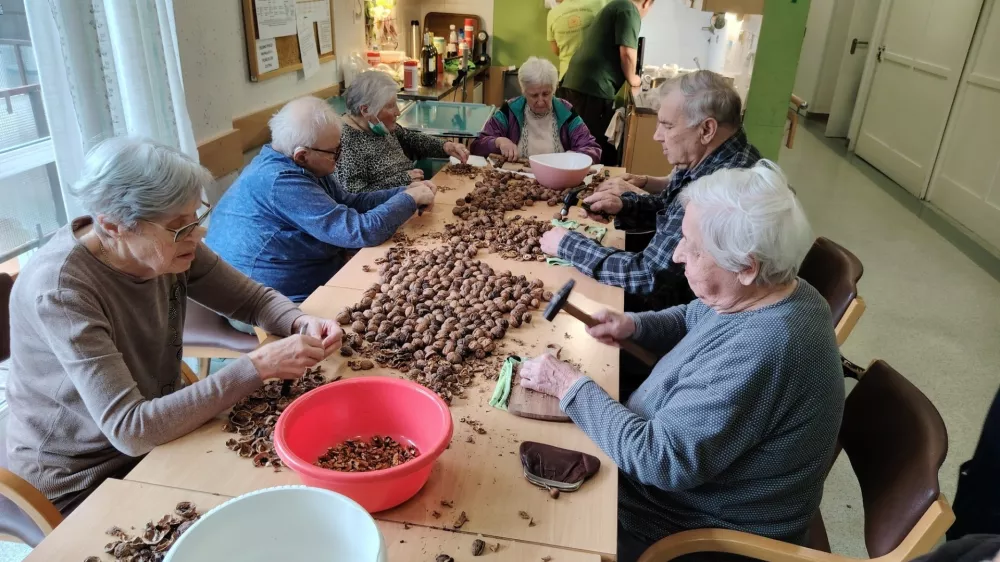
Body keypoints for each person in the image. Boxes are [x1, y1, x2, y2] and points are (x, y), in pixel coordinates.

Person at [520, 161, 843, 562]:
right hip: (675, 480)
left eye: (692, 246)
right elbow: (696, 316)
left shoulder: (768, 346)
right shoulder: (776, 289)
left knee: (523, 522)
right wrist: (633, 325)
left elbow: (659, 460)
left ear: (746, 267)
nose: (676, 254)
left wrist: (569, 386)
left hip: (689, 530)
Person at [5, 137, 343, 511]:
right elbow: (131, 430)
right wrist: (257, 367)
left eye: (196, 216)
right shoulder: (62, 292)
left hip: (162, 425)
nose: (198, 234)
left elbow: (253, 300)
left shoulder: (167, 245)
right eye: (179, 226)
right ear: (113, 225)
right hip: (82, 475)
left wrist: (300, 320)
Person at [540, 70, 761, 311]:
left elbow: (647, 276)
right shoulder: (716, 158)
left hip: (684, 314)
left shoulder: (720, 187)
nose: (657, 136)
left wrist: (568, 245)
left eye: (667, 126)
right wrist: (623, 206)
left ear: (707, 130)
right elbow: (668, 208)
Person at [205, 96, 435, 308]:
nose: (340, 158)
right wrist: (409, 199)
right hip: (272, 299)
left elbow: (349, 202)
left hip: (301, 275)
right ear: (302, 155)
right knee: (400, 300)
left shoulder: (302, 164)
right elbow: (359, 231)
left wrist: (404, 191)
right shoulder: (281, 182)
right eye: (334, 152)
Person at [335, 71, 470, 193]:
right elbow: (355, 197)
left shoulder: (378, 125)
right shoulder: (344, 144)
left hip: (413, 194)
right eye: (390, 106)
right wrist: (402, 181)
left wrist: (445, 146)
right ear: (365, 110)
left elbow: (410, 138)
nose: (397, 112)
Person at [559, 0, 655, 165]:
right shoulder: (629, 9)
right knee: (586, 147)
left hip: (577, 82)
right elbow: (627, 53)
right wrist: (634, 78)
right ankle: (579, 187)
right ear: (646, 3)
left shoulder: (616, 5)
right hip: (592, 86)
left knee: (573, 142)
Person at [471, 57, 602, 164]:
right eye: (534, 95)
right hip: (516, 180)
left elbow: (592, 148)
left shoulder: (565, 111)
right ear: (524, 92)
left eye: (546, 94)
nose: (540, 101)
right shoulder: (510, 110)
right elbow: (477, 146)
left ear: (554, 89)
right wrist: (498, 142)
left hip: (557, 181)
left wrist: (575, 157)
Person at [547, 0, 606, 80]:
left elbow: (556, 50)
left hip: (567, 77)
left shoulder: (552, 14)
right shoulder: (598, 3)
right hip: (596, 76)